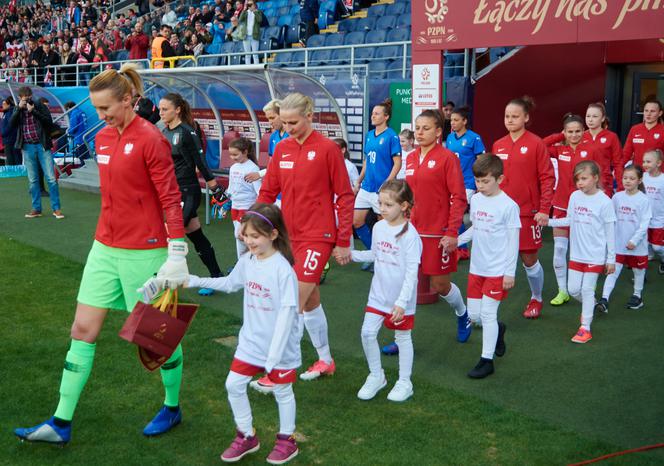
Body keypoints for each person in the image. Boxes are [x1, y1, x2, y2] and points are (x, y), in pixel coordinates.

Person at [14, 64, 191, 444]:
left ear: (128, 100)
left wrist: (176, 252)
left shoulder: (151, 139)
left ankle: (172, 407)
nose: (101, 117)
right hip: (104, 248)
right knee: (82, 330)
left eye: (106, 109)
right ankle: (61, 423)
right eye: (97, 110)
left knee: (155, 340)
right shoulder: (104, 139)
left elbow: (171, 198)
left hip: (143, 252)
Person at [186, 204, 301, 465]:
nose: (249, 241)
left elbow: (287, 315)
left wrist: (274, 356)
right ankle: (247, 436)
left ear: (273, 235)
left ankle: (287, 440)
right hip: (251, 341)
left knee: (283, 391)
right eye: (246, 236)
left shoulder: (283, 270)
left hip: (280, 346)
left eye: (255, 236)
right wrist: (196, 280)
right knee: (233, 384)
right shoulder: (248, 260)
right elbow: (229, 284)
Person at [256, 92, 354, 387]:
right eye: (283, 122)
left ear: (310, 115)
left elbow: (345, 196)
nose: (287, 128)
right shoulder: (282, 148)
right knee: (309, 300)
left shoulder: (327, 150)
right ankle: (325, 360)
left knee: (291, 302)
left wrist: (343, 239)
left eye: (293, 122)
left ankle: (279, 371)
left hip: (318, 236)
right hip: (288, 236)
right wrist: (253, 223)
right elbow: (267, 192)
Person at [349, 180, 421, 402]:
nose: (382, 208)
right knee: (367, 333)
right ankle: (376, 375)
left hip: (401, 300)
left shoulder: (411, 235)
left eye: (388, 205)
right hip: (378, 295)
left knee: (402, 338)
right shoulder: (379, 227)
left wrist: (401, 302)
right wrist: (351, 255)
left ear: (404, 206)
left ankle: (404, 381)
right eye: (380, 203)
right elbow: (375, 254)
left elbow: (411, 272)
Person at [405, 110, 469, 342]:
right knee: (407, 284)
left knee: (440, 285)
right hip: (412, 233)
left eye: (426, 128)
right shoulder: (410, 158)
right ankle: (400, 335)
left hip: (437, 234)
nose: (420, 133)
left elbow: (458, 197)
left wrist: (452, 232)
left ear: (439, 131)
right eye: (417, 128)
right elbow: (408, 195)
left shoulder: (447, 158)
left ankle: (463, 314)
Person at [457, 154, 520, 378]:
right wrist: (456, 241)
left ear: (500, 179)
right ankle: (499, 330)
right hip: (477, 267)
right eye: (477, 181)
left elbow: (514, 242)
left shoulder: (509, 206)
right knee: (474, 317)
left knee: (488, 313)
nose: (481, 186)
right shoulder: (476, 200)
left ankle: (487, 360)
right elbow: (476, 228)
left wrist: (509, 273)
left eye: (486, 181)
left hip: (497, 270)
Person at [492, 96, 555, 319]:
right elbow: (493, 179)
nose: (510, 120)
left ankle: (536, 298)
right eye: (507, 116)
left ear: (526, 118)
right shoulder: (498, 145)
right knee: (497, 256)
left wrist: (544, 209)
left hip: (527, 213)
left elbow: (547, 178)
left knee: (528, 259)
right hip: (501, 214)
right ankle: (491, 297)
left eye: (515, 116)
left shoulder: (536, 143)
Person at [159, 93, 225, 296]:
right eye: (160, 109)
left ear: (177, 110)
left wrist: (214, 187)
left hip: (188, 192)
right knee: (196, 235)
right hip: (172, 192)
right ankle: (217, 277)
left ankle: (164, 280)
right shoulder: (164, 132)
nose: (161, 113)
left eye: (165, 109)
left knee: (170, 234)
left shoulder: (188, 132)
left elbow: (200, 161)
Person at [543, 161, 616, 343]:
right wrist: (549, 222)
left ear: (596, 178)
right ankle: (591, 306)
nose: (580, 183)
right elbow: (569, 220)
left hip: (595, 255)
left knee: (586, 289)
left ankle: (585, 327)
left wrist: (611, 259)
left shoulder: (605, 202)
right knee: (574, 290)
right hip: (577, 254)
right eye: (578, 179)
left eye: (584, 178)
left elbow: (610, 232)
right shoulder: (575, 196)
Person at [543, 114, 597, 307]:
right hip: (560, 205)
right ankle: (563, 291)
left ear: (584, 131)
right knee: (559, 250)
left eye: (577, 131)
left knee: (582, 248)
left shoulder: (591, 148)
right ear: (565, 132)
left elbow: (599, 175)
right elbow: (541, 145)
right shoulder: (560, 150)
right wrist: (559, 136)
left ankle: (586, 286)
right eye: (570, 131)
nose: (574, 135)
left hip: (585, 207)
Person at [353, 99, 401, 271]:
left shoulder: (392, 136)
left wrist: (387, 183)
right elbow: (367, 161)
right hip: (366, 188)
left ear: (386, 117)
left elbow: (397, 163)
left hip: (381, 191)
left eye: (377, 113)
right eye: (372, 113)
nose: (373, 116)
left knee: (385, 226)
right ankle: (373, 254)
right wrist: (359, 180)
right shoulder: (369, 135)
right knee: (357, 222)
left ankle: (387, 258)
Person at [596, 165, 651, 312]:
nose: (627, 181)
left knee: (638, 272)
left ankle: (637, 296)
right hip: (619, 244)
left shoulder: (644, 200)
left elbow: (645, 223)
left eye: (632, 178)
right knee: (612, 271)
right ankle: (604, 299)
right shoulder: (617, 197)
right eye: (625, 178)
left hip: (637, 247)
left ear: (639, 180)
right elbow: (610, 219)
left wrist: (634, 240)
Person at [9, 86, 64, 219]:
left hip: (42, 145)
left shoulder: (39, 105)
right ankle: (36, 209)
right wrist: (18, 109)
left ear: (32, 96)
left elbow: (48, 122)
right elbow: (11, 124)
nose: (28, 101)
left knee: (51, 178)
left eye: (29, 98)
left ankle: (56, 209)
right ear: (19, 98)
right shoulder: (18, 109)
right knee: (33, 180)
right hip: (27, 147)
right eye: (24, 99)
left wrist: (33, 111)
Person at [227, 137, 262, 259]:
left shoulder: (253, 168)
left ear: (245, 152)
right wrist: (227, 198)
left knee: (241, 235)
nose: (232, 157)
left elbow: (259, 191)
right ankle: (242, 263)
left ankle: (249, 261)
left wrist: (256, 208)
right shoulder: (233, 168)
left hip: (247, 206)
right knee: (239, 236)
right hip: (235, 205)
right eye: (231, 154)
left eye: (235, 154)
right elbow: (231, 187)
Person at [584, 102, 623, 196]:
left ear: (602, 119)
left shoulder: (612, 137)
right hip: (583, 185)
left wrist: (621, 187)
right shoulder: (581, 136)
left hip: (604, 185)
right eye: (588, 116)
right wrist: (562, 134)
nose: (590, 119)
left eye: (594, 116)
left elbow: (618, 163)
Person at [622, 98, 664, 169]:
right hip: (637, 174)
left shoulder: (662, 130)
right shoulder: (635, 129)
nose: (648, 114)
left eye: (652, 111)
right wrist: (618, 169)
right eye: (646, 111)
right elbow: (626, 153)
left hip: (657, 174)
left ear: (660, 113)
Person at [642, 149, 664, 274]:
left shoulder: (663, 179)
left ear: (659, 163)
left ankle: (662, 259)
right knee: (645, 243)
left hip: (659, 219)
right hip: (644, 218)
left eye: (649, 162)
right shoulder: (643, 177)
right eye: (644, 161)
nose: (645, 164)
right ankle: (647, 257)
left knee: (658, 247)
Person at [238, 0, 263, 65]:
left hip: (254, 35)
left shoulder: (258, 12)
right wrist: (244, 9)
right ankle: (248, 69)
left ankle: (257, 69)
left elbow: (260, 20)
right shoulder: (245, 12)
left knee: (255, 54)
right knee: (247, 55)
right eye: (248, 4)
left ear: (254, 5)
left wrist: (254, 11)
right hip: (246, 36)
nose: (249, 6)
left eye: (250, 4)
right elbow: (240, 19)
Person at [1, 96, 21, 165]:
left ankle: (14, 172)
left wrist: (3, 132)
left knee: (12, 158)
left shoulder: (10, 112)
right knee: (12, 157)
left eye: (4, 104)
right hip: (8, 139)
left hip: (10, 139)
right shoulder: (7, 112)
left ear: (9, 104)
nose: (2, 105)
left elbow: (11, 124)